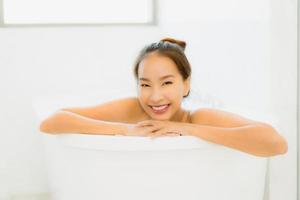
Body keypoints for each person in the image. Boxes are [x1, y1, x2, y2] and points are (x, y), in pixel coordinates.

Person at [39, 37, 288, 157]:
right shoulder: (132, 110)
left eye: (167, 82)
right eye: (145, 84)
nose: (155, 96)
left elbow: (276, 143)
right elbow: (52, 122)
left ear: (186, 84)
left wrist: (185, 129)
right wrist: (125, 130)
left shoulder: (198, 117)